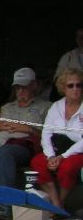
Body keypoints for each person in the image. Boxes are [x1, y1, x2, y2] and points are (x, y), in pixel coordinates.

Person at [0, 67, 50, 220]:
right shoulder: (6, 108)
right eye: (17, 87)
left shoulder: (46, 107)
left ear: (34, 85)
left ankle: (6, 208)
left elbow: (51, 138)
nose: (20, 91)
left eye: (24, 87)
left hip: (22, 147)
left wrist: (29, 129)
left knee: (5, 153)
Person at [29, 67, 83, 211]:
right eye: (70, 86)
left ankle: (60, 203)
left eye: (79, 85)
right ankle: (56, 203)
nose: (75, 89)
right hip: (56, 149)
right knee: (37, 162)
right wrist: (51, 156)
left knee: (67, 167)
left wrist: (63, 156)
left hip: (77, 151)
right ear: (63, 88)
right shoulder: (56, 106)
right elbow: (46, 132)